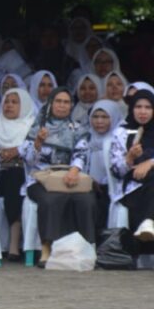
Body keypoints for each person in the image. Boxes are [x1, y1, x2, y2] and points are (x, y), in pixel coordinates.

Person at [20, 87, 97, 267]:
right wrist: (38, 143)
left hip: (70, 176)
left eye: (66, 102)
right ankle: (47, 246)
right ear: (51, 104)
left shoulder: (76, 128)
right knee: (50, 199)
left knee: (87, 200)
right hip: (41, 178)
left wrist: (74, 170)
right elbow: (28, 160)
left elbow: (82, 152)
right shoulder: (37, 127)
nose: (62, 106)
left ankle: (87, 246)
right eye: (58, 102)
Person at [0, 87, 35, 261]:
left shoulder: (30, 125)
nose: (9, 106)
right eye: (6, 101)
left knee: (13, 182)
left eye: (14, 102)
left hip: (21, 172)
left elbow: (32, 151)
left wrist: (17, 151)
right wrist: (2, 153)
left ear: (23, 105)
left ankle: (14, 245)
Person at [109, 89, 154, 254]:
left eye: (148, 107)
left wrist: (150, 162)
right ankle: (148, 221)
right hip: (133, 187)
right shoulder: (121, 132)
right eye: (138, 107)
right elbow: (116, 170)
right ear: (131, 108)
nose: (143, 111)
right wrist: (128, 158)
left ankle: (149, 221)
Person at [75, 100, 122, 230]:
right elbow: (77, 162)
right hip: (89, 187)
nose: (99, 121)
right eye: (95, 117)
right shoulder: (86, 138)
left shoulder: (119, 140)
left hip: (114, 189)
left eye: (105, 117)